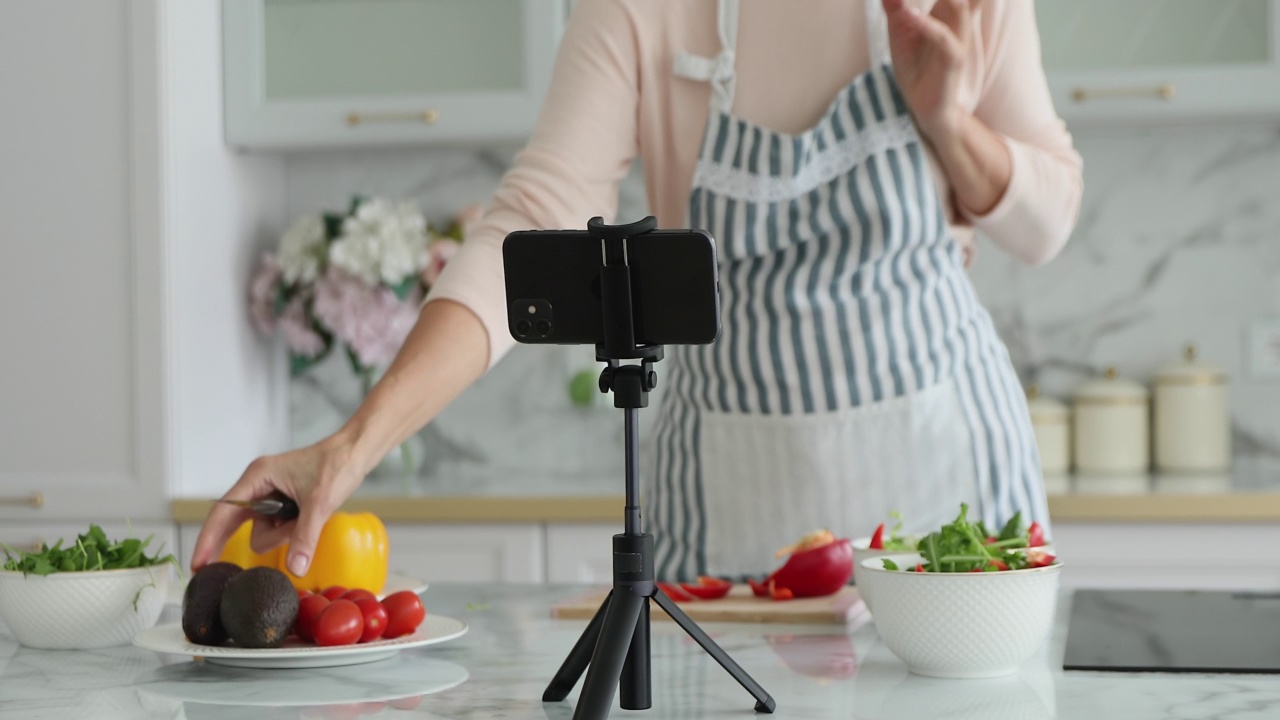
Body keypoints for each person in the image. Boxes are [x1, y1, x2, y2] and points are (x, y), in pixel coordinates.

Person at [192, 0, 1082, 582]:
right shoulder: (639, 8)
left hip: (946, 500)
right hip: (734, 507)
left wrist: (949, 123)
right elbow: (531, 227)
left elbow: (1045, 226)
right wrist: (352, 445)